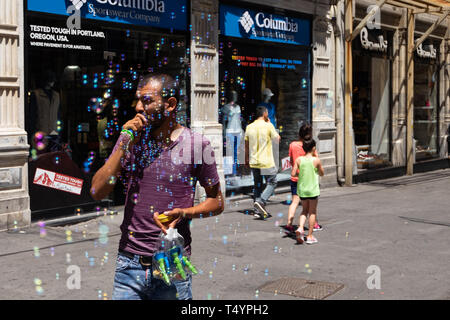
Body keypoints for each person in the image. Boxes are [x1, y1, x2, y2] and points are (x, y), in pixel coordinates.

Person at [90, 73, 224, 300]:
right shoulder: (132, 141)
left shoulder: (197, 144)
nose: (139, 107)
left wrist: (184, 213)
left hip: (172, 262)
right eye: (138, 100)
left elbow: (217, 202)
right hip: (129, 264)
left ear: (170, 104)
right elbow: (97, 191)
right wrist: (123, 141)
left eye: (147, 100)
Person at [285, 124, 322, 234]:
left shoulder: (292, 145)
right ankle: (314, 224)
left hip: (295, 177)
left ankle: (289, 224)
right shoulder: (310, 145)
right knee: (312, 204)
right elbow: (316, 160)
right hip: (307, 179)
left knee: (295, 202)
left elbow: (291, 160)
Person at [245, 106, 280, 219]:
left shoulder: (249, 127)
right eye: (267, 113)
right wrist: (271, 124)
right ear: (264, 114)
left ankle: (256, 210)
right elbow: (277, 139)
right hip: (266, 161)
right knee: (272, 182)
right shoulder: (268, 125)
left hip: (254, 161)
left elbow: (246, 146)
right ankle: (261, 201)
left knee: (257, 185)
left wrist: (246, 159)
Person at [291, 137, 324, 244]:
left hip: (302, 190)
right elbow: (322, 173)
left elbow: (293, 174)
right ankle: (309, 236)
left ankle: (300, 228)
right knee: (312, 212)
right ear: (313, 148)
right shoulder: (316, 160)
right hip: (313, 190)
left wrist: (300, 174)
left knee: (304, 210)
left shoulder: (299, 160)